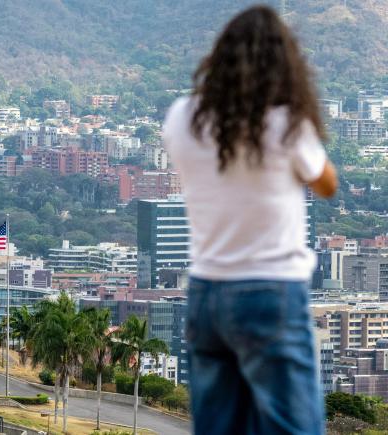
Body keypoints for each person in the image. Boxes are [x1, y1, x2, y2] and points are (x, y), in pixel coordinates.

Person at [162, 5, 337, 435]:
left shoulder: (182, 117)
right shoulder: (285, 123)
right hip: (271, 290)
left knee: (219, 426)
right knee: (294, 425)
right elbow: (327, 183)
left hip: (206, 292)